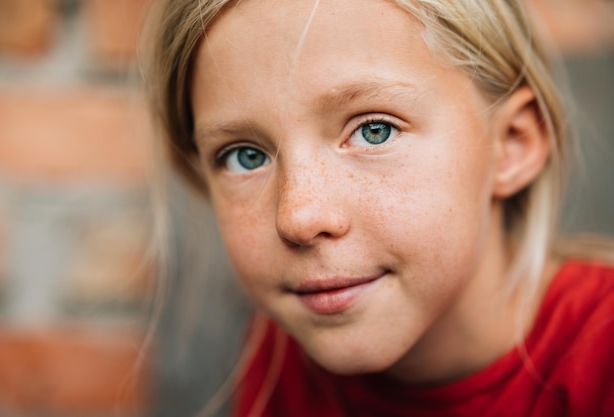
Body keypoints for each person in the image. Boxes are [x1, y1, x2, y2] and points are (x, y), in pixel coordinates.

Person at [146, 0, 614, 415]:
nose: (298, 218)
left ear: (510, 145)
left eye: (375, 130)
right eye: (245, 156)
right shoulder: (296, 336)